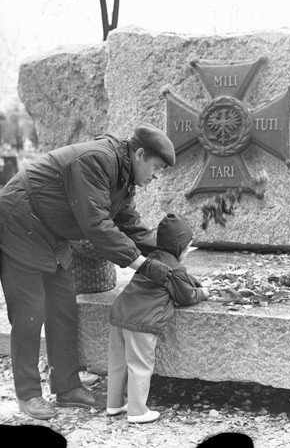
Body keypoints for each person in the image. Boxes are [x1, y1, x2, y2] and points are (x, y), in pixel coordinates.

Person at [0, 123, 176, 420]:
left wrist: (170, 253)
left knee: (63, 304)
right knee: (30, 310)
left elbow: (129, 225)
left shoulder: (123, 177)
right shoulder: (97, 160)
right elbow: (97, 225)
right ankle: (28, 394)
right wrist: (144, 265)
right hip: (19, 220)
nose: (154, 178)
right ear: (140, 154)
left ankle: (67, 387)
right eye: (155, 168)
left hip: (51, 232)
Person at [106, 212, 210, 424]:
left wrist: (194, 281)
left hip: (120, 313)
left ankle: (114, 404)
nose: (188, 252)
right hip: (142, 321)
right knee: (140, 365)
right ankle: (137, 411)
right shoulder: (174, 267)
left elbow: (182, 280)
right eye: (188, 247)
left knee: (118, 363)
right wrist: (203, 292)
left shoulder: (150, 259)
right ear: (179, 247)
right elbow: (186, 295)